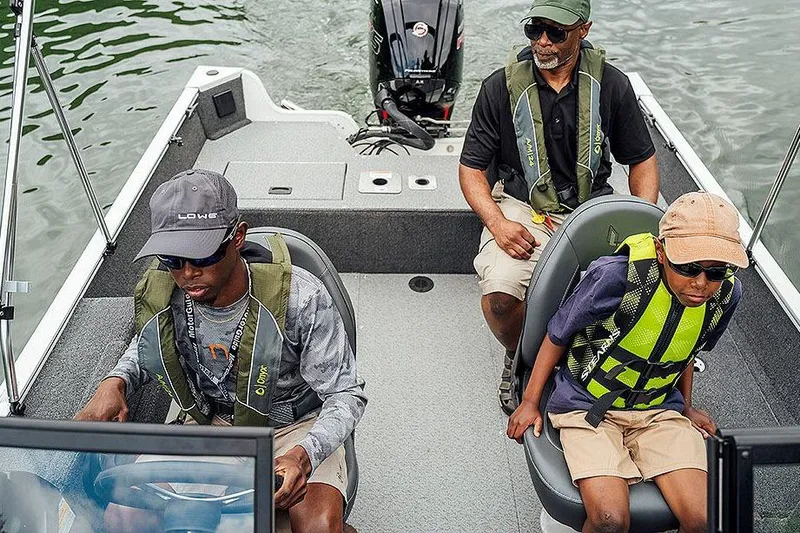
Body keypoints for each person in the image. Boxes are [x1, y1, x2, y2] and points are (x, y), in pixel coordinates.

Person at [76, 169, 367, 533]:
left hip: (294, 427)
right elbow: (151, 340)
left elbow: (345, 395)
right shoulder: (166, 292)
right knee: (124, 515)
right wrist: (116, 381)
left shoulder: (302, 299)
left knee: (320, 526)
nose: (186, 273)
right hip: (208, 421)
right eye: (172, 259)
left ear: (238, 237)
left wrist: (304, 454)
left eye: (200, 256)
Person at [458, 0, 660, 414]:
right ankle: (524, 359)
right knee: (499, 299)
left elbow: (641, 161)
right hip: (522, 206)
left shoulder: (613, 86)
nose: (543, 42)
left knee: (638, 285)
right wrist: (496, 223)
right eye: (535, 30)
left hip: (592, 207)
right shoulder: (499, 87)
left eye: (556, 32)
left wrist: (642, 223)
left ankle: (588, 357)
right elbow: (471, 169)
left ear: (583, 30)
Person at [507, 192, 748, 533]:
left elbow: (686, 353)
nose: (701, 283)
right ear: (662, 252)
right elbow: (557, 334)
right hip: (588, 405)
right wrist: (530, 401)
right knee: (610, 521)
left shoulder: (724, 295)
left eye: (716, 271)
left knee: (707, 521)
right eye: (689, 267)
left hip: (659, 409)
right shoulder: (616, 278)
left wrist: (687, 408)